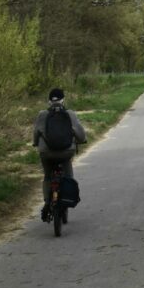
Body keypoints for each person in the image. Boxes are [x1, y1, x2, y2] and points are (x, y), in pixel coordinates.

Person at [33, 88, 87, 221]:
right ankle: (67, 198)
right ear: (64, 100)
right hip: (66, 152)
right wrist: (82, 140)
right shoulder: (70, 114)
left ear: (49, 101)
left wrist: (35, 143)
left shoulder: (42, 114)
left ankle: (47, 202)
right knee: (68, 176)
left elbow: (36, 133)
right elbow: (79, 133)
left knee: (47, 177)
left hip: (46, 153)